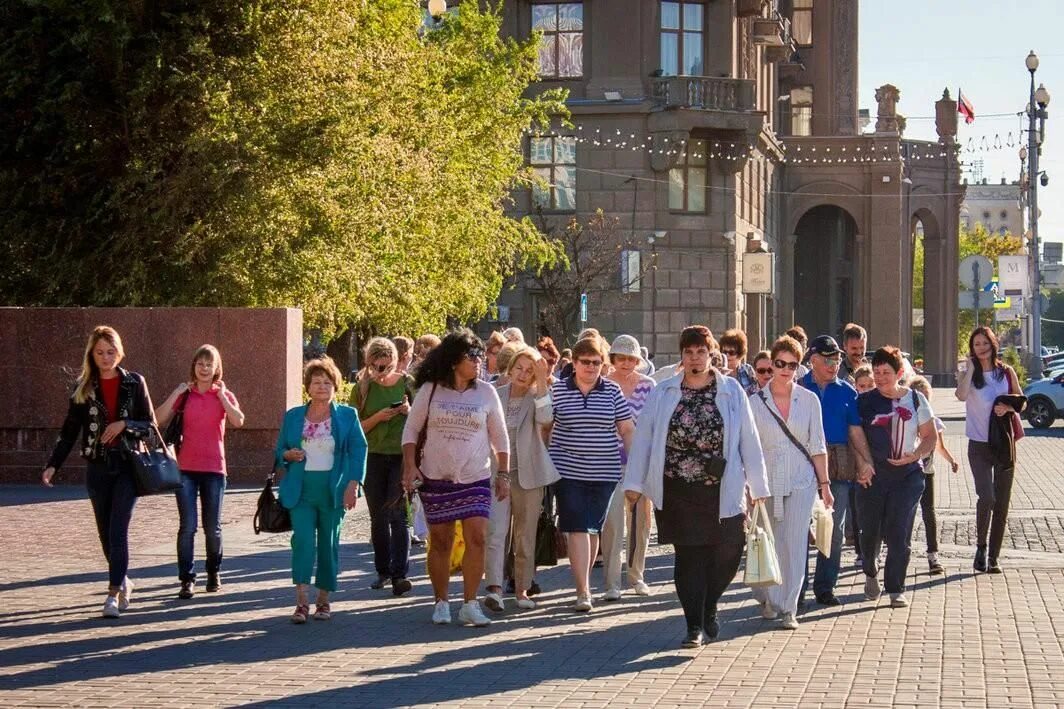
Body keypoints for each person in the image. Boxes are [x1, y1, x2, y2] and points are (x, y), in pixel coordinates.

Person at [624, 326, 770, 647]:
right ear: (682, 355)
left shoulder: (731, 390)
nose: (695, 358)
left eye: (700, 352)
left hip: (721, 487)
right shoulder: (663, 392)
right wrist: (633, 485)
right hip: (677, 488)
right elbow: (644, 440)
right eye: (689, 352)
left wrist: (758, 488)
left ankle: (710, 603)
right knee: (689, 557)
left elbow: (749, 441)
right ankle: (693, 625)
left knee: (730, 550)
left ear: (711, 353)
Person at [42, 326, 156, 619]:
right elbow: (69, 432)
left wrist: (124, 424)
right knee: (106, 535)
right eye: (100, 353)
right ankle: (124, 580)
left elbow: (150, 425)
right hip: (97, 467)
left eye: (111, 352)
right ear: (92, 355)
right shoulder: (84, 387)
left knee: (118, 530)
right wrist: (53, 464)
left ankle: (112, 594)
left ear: (119, 352)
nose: (106, 358)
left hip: (128, 466)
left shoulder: (134, 382)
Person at [401, 329, 509, 627]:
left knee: (477, 537)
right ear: (452, 361)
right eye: (470, 356)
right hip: (436, 476)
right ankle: (441, 601)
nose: (478, 361)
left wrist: (504, 474)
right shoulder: (431, 390)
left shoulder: (486, 392)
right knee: (441, 541)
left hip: (476, 476)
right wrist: (410, 466)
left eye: (479, 355)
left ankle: (470, 603)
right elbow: (410, 431)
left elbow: (500, 438)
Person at [274, 357, 367, 623]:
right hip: (300, 490)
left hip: (333, 490)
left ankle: (323, 600)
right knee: (302, 542)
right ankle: (301, 601)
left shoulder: (347, 416)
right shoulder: (293, 416)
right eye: (316, 382)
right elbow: (279, 450)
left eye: (327, 383)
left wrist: (353, 484)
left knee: (328, 545)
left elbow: (359, 450)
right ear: (308, 387)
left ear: (335, 386)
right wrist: (287, 455)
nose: (321, 387)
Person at [750, 336, 833, 629]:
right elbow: (749, 448)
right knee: (769, 542)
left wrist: (825, 485)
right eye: (780, 363)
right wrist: (749, 486)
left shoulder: (808, 400)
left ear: (799, 367)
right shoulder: (755, 403)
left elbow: (817, 445)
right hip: (767, 481)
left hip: (801, 480)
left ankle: (789, 607)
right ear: (771, 364)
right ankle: (770, 597)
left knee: (795, 543)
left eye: (792, 365)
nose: (785, 369)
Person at [549, 336, 635, 612]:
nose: (590, 367)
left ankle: (584, 583)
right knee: (577, 526)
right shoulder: (559, 391)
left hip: (605, 472)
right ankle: (582, 589)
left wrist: (633, 466)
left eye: (596, 362)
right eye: (585, 362)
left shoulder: (612, 391)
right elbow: (546, 426)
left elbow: (626, 428)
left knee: (592, 528)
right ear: (574, 363)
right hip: (568, 470)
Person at [156, 345, 245, 599]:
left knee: (212, 527)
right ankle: (186, 579)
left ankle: (214, 573)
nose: (204, 369)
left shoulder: (223, 395)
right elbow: (157, 418)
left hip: (215, 469)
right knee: (187, 527)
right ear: (193, 366)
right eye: (200, 364)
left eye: (209, 364)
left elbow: (239, 420)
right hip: (185, 469)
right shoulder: (186, 395)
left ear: (217, 368)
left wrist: (224, 398)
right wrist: (176, 393)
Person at [851, 346, 936, 608]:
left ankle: (895, 587)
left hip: (907, 476)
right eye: (876, 372)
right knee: (869, 531)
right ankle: (870, 569)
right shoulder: (863, 402)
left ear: (899, 373)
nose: (880, 377)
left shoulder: (915, 400)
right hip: (873, 476)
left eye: (886, 372)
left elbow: (930, 435)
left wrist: (916, 455)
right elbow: (855, 436)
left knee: (900, 530)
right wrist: (863, 464)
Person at [484, 346, 557, 611]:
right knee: (496, 531)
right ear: (510, 369)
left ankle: (522, 589)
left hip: (529, 475)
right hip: (497, 473)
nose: (523, 374)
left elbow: (547, 418)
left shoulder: (537, 397)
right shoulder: (495, 395)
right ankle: (494, 587)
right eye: (520, 368)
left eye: (529, 370)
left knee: (525, 535)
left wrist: (541, 381)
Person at [954, 326, 1025, 573]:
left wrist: (1008, 408)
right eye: (976, 344)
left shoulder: (1005, 372)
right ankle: (981, 547)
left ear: (993, 344)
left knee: (1002, 502)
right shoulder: (968, 372)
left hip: (1003, 444)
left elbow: (1020, 401)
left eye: (985, 343)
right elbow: (961, 396)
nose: (981, 348)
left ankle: (994, 557)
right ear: (972, 348)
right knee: (987, 497)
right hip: (979, 445)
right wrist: (971, 368)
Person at [349, 337, 415, 596]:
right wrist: (378, 417)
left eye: (387, 367)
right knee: (378, 516)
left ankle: (400, 574)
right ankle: (383, 571)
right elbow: (354, 429)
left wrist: (407, 411)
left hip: (400, 455)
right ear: (368, 364)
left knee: (398, 514)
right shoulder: (362, 389)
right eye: (377, 367)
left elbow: (421, 418)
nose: (382, 372)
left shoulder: (407, 384)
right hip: (373, 456)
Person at [800, 336, 859, 607]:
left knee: (833, 530)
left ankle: (825, 587)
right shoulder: (798, 388)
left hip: (839, 464)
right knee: (799, 529)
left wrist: (865, 463)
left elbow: (856, 433)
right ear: (812, 360)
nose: (833, 365)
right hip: (802, 465)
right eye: (827, 359)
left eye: (836, 359)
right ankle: (796, 589)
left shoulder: (848, 392)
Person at [601, 335, 657, 600]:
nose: (625, 363)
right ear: (612, 359)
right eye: (621, 357)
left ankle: (637, 577)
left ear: (638, 360)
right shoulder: (602, 385)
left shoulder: (649, 386)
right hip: (609, 463)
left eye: (631, 358)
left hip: (640, 463)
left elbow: (655, 427)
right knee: (612, 524)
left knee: (641, 523)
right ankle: (612, 583)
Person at [909, 376, 960, 575]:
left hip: (927, 472)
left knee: (929, 513)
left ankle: (933, 554)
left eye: (927, 397)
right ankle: (900, 553)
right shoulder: (907, 419)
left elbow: (939, 446)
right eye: (920, 397)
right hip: (909, 473)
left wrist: (952, 460)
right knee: (906, 514)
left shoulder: (934, 422)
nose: (924, 401)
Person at [720, 329, 759, 395]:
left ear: (739, 353)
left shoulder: (747, 370)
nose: (727, 355)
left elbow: (755, 392)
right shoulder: (718, 372)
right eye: (724, 352)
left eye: (731, 352)